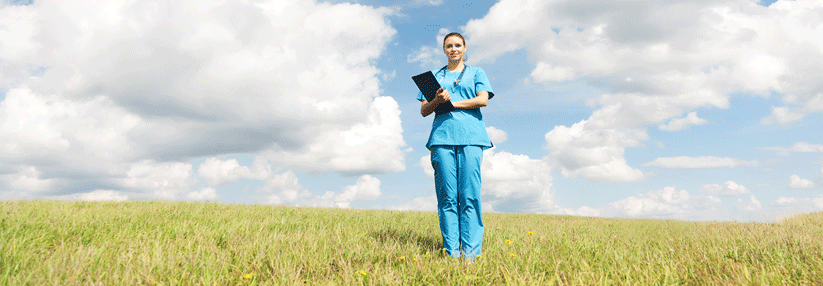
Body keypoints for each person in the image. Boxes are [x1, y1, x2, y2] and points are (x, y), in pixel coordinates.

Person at [417, 32, 494, 261]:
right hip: (441, 139)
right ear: (443, 49)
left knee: (470, 196)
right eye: (449, 46)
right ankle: (451, 254)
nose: (453, 49)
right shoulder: (434, 77)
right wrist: (436, 101)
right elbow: (423, 110)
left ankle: (470, 256)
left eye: (457, 45)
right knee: (447, 197)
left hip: (471, 138)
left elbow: (483, 100)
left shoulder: (476, 72)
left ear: (464, 47)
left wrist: (451, 104)